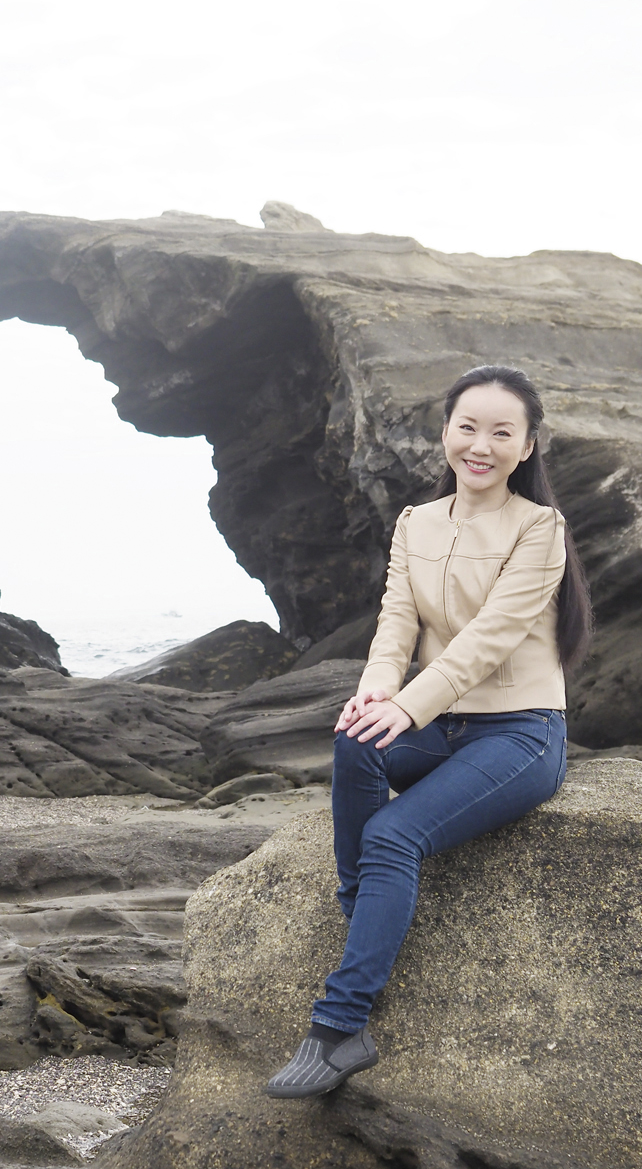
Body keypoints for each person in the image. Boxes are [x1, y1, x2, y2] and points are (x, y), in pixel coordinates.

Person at [264, 364, 594, 1100]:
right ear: (446, 432)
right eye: (467, 427)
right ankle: (365, 913)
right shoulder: (416, 523)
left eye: (501, 433)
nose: (481, 445)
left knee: (393, 836)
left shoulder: (541, 529)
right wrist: (377, 693)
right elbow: (397, 622)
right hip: (438, 721)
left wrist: (408, 708)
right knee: (354, 740)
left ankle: (339, 1027)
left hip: (519, 734)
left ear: (528, 446)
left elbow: (489, 639)